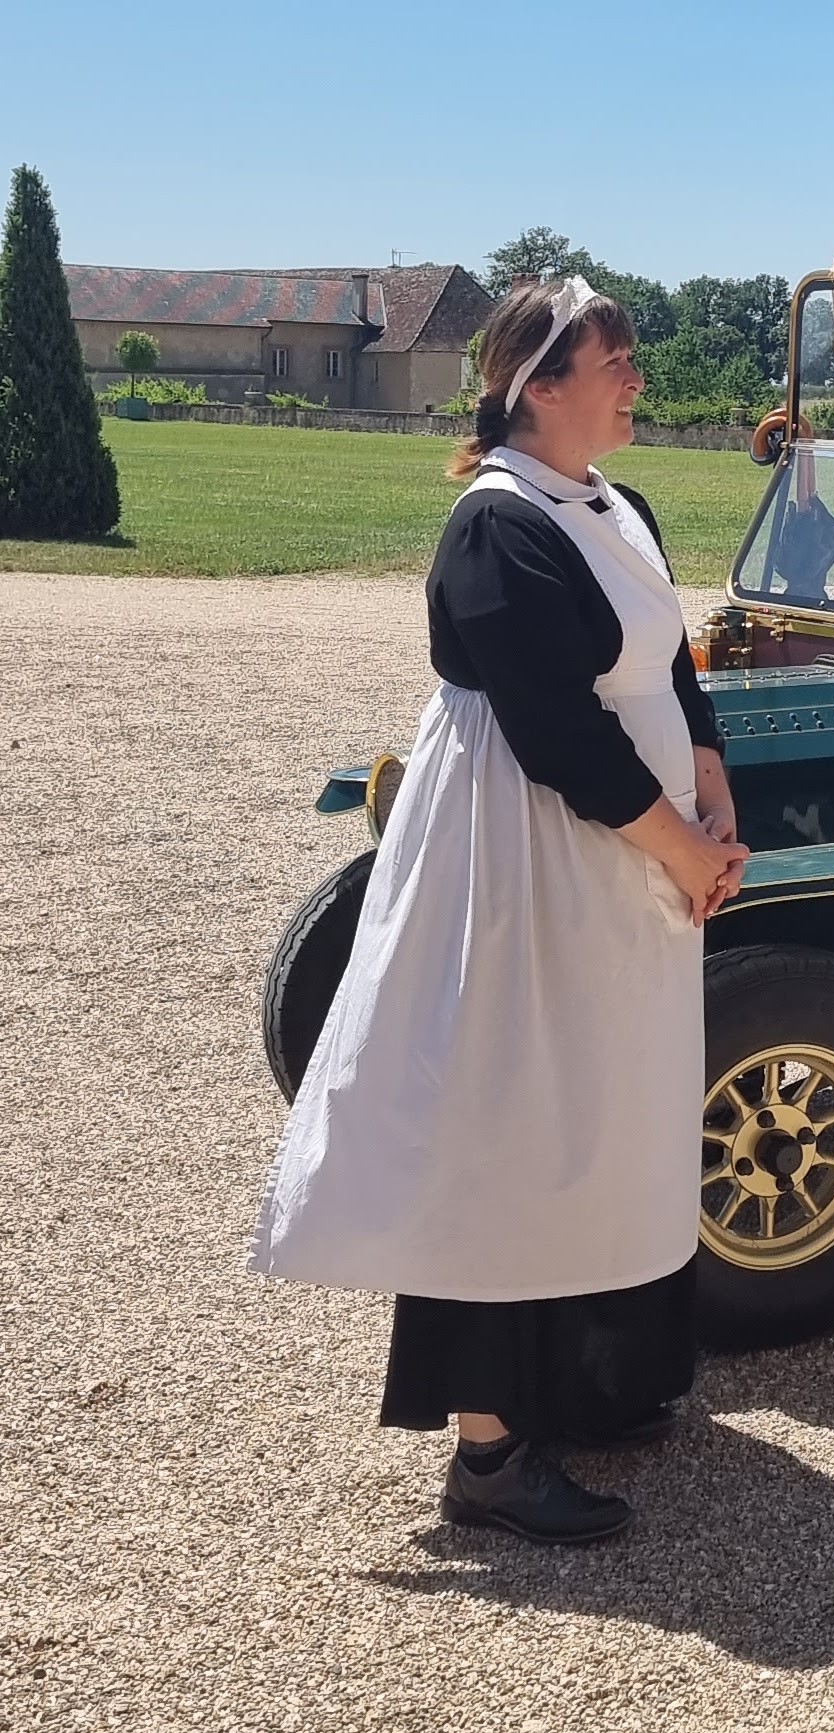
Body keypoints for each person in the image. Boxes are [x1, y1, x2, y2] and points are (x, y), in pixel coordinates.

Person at [252, 277, 747, 1541]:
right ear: (540, 386)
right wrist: (682, 852)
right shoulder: (495, 527)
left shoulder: (616, 506)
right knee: (506, 1113)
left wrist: (712, 786)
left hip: (625, 858)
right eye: (616, 359)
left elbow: (669, 665)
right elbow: (555, 731)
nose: (637, 377)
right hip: (523, 856)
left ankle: (591, 1376)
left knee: (604, 1112)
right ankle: (486, 1452)